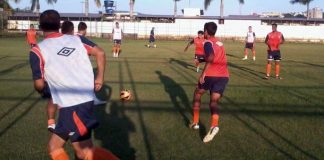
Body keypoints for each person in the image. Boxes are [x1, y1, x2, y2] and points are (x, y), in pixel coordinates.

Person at [29, 10, 118, 160]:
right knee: (55, 147)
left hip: (73, 105)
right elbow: (101, 53)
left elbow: (38, 85)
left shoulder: (37, 51)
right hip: (79, 103)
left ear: (40, 26)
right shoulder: (77, 39)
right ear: (59, 24)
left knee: (84, 152)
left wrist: (44, 89)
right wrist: (100, 78)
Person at [189, 22, 229, 143]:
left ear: (206, 31)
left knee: (197, 94)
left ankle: (196, 122)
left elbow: (211, 57)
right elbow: (215, 56)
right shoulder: (219, 42)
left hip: (211, 75)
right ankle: (214, 125)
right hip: (224, 76)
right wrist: (201, 60)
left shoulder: (207, 42)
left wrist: (203, 74)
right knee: (214, 101)